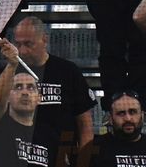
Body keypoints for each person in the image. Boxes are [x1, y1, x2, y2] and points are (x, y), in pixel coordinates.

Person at [7, 15, 96, 148]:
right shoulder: (9, 72)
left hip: (60, 158)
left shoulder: (68, 71)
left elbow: (85, 124)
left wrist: (83, 163)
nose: (22, 51)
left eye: (28, 44)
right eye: (18, 44)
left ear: (44, 39)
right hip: (18, 158)